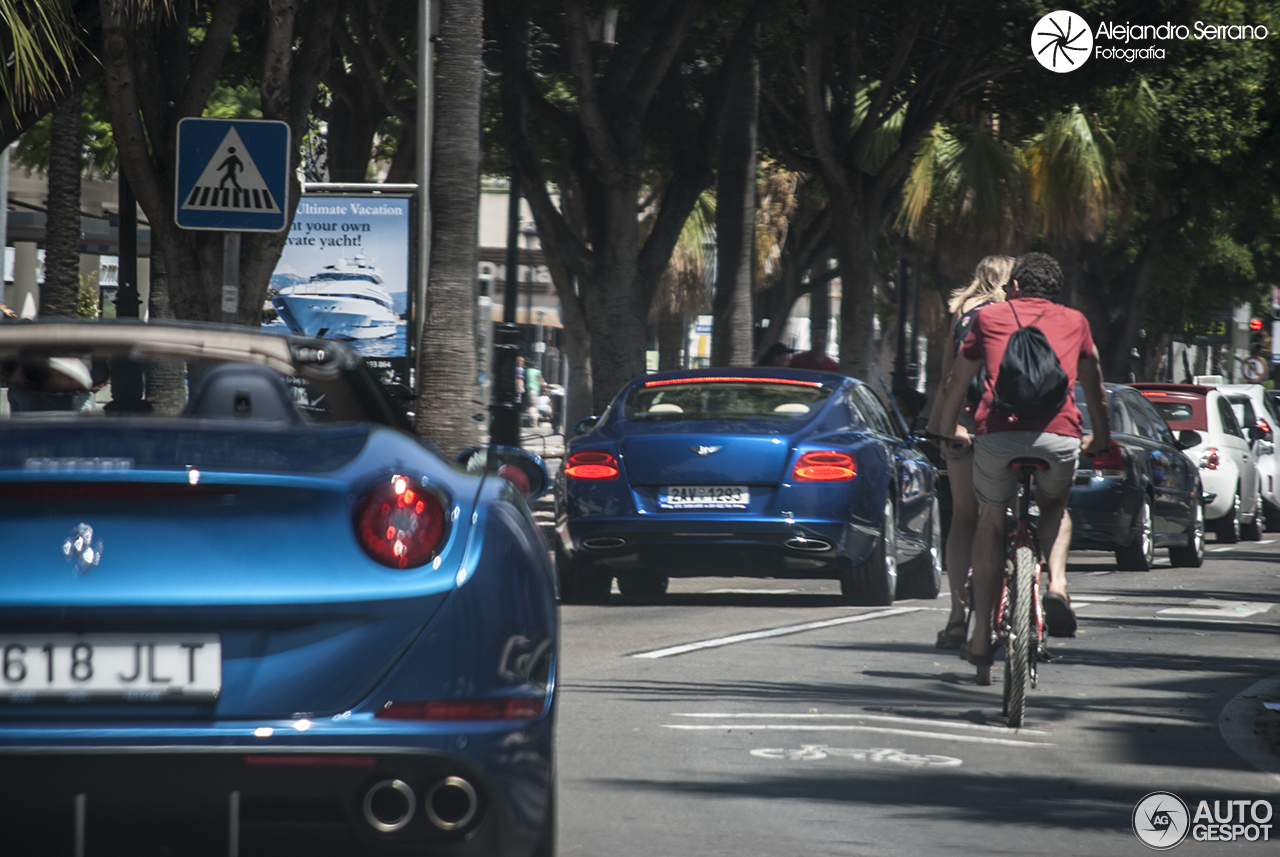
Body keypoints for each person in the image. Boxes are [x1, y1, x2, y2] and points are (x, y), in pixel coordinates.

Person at [930, 252, 1110, 670]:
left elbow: (955, 379)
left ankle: (977, 639)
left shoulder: (987, 320)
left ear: (1015, 287)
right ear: (1057, 291)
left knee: (990, 520)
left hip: (997, 436)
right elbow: (1096, 387)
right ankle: (1059, 586)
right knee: (1054, 506)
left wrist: (945, 426)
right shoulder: (1075, 322)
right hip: (1060, 436)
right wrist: (1099, 438)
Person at [925, 255, 1013, 649]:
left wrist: (941, 421)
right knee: (998, 517)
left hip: (959, 421)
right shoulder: (1015, 312)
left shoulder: (963, 311)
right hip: (1004, 426)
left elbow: (948, 373)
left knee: (962, 517)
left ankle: (958, 616)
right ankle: (1005, 606)